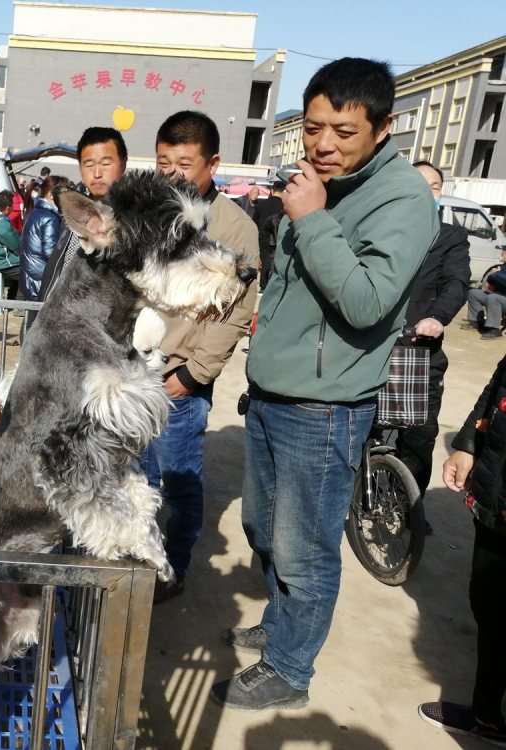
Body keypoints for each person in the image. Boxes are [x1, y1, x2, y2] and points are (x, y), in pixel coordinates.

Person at [213, 57, 438, 711]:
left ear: (383, 126)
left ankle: (289, 669)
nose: (323, 144)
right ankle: (283, 628)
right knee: (263, 526)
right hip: (272, 393)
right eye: (313, 128)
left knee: (304, 545)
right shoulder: (315, 179)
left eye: (343, 131)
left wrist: (312, 219)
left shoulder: (402, 198)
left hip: (324, 407)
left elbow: (367, 302)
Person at [144, 111, 259, 603]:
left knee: (176, 480)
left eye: (184, 163)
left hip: (177, 378)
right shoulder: (150, 209)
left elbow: (235, 312)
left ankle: (172, 568)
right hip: (133, 370)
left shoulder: (234, 228)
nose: (171, 173)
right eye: (163, 161)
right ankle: (132, 559)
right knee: (135, 476)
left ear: (212, 163)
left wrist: (193, 375)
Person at [418, 356, 506, 745]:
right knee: (490, 604)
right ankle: (486, 715)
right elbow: (498, 384)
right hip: (496, 499)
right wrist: (468, 442)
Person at [394, 161, 470, 528]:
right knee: (359, 431)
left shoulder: (451, 236)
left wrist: (437, 317)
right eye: (418, 183)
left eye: (435, 185)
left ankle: (411, 509)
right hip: (371, 350)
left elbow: (457, 283)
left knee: (419, 438)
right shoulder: (383, 229)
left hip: (419, 351)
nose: (427, 191)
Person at [38, 127, 128, 300]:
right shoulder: (73, 207)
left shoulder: (132, 219)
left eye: (106, 164)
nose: (97, 173)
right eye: (89, 165)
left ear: (123, 164)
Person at [18, 175, 63, 300]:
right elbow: (51, 253)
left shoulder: (35, 212)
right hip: (40, 281)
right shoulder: (49, 218)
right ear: (51, 195)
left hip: (29, 277)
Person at [251, 183, 284, 291]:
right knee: (279, 260)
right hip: (280, 237)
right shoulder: (285, 205)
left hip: (263, 237)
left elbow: (254, 221)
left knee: (265, 261)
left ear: (272, 191)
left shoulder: (262, 204)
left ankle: (264, 285)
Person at [466, 269, 506, 339]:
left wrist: (496, 274)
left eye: (504, 256)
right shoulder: (504, 267)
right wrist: (494, 275)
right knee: (474, 293)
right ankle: (477, 323)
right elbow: (490, 280)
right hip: (499, 296)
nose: (502, 257)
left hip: (499, 298)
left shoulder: (499, 271)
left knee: (493, 298)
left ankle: (494, 329)